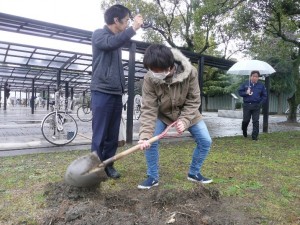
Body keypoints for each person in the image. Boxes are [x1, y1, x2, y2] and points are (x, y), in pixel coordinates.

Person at [137, 44, 213, 189]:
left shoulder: (190, 72)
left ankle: (194, 173)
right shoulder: (149, 77)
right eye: (152, 71)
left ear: (170, 66)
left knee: (205, 141)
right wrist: (145, 135)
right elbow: (149, 107)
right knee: (150, 142)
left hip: (189, 113)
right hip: (163, 114)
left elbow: (194, 100)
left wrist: (184, 120)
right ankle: (153, 177)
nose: (154, 74)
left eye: (158, 71)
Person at [90, 4, 143, 179]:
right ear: (116, 20)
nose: (128, 23)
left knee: (113, 134)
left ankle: (109, 165)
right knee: (100, 134)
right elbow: (111, 43)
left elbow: (118, 40)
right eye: (126, 20)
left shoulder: (117, 40)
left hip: (115, 93)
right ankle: (94, 168)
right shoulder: (99, 35)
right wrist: (133, 28)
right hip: (101, 91)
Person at [238, 70, 267, 141]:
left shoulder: (261, 85)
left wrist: (260, 103)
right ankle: (244, 130)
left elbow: (264, 95)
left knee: (255, 121)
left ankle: (254, 136)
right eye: (253, 76)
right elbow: (239, 92)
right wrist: (246, 93)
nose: (255, 78)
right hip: (247, 105)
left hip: (256, 106)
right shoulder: (245, 84)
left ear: (258, 78)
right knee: (246, 120)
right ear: (251, 76)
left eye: (256, 76)